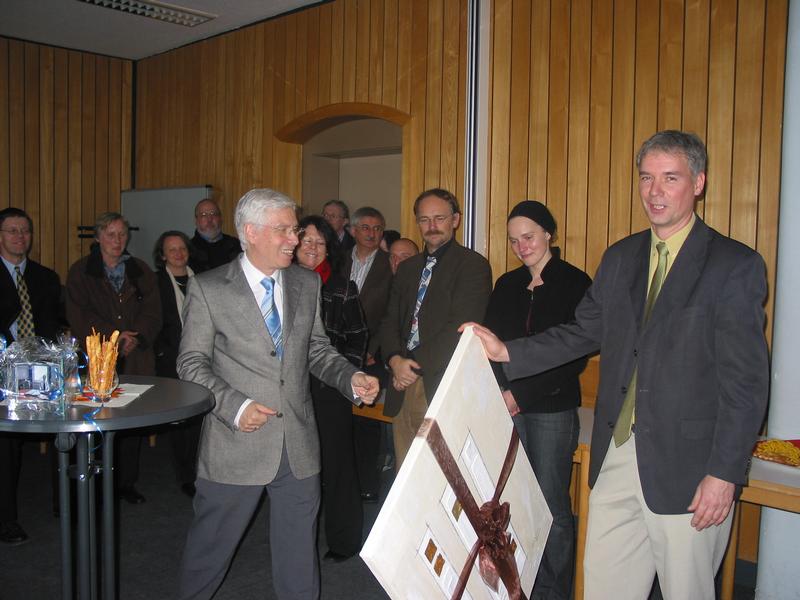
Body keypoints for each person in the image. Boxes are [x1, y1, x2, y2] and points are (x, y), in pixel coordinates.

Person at [464, 131, 769, 600]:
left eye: (670, 178)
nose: (654, 191)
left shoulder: (733, 265)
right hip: (617, 458)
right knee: (606, 587)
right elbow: (581, 332)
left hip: (688, 470)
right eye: (647, 178)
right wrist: (508, 352)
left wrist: (724, 473)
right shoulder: (622, 257)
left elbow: (745, 385)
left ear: (699, 183)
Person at [175, 188, 379, 600]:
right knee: (210, 552)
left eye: (296, 229)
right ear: (250, 232)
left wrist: (349, 378)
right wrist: (235, 406)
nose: (296, 239)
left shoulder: (305, 283)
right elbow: (190, 364)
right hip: (237, 443)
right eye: (285, 230)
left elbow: (316, 350)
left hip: (300, 444)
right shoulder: (210, 288)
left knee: (298, 557)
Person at [483, 200, 591, 600]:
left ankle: (553, 591)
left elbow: (573, 357)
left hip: (550, 409)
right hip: (507, 406)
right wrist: (499, 394)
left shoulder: (575, 282)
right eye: (513, 240)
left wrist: (519, 395)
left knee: (551, 506)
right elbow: (491, 347)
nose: (521, 246)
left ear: (549, 234)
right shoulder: (507, 284)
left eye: (528, 237)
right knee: (511, 503)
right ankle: (520, 582)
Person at [379, 188, 492, 467]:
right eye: (424, 219)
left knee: (441, 475)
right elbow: (390, 319)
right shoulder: (407, 268)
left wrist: (411, 365)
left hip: (439, 379)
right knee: (406, 470)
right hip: (401, 381)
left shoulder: (473, 266)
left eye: (439, 218)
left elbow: (461, 327)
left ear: (455, 220)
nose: (431, 227)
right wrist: (394, 360)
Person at [66, 212, 162, 505]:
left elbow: (154, 312)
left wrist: (136, 338)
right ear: (97, 238)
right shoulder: (81, 271)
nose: (117, 240)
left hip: (135, 357)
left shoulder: (140, 269)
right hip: (97, 358)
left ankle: (126, 483)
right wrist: (115, 336)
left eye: (122, 234)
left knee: (130, 421)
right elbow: (79, 315)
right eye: (110, 234)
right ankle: (95, 483)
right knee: (96, 420)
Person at [295, 215, 368, 562]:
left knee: (338, 465)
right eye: (306, 240)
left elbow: (357, 336)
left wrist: (344, 377)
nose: (312, 248)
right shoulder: (280, 283)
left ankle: (344, 540)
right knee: (297, 466)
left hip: (330, 386)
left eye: (320, 242)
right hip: (290, 388)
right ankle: (296, 536)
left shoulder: (342, 287)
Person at [0, 207, 62, 545]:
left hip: (41, 371)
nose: (19, 237)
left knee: (64, 430)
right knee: (6, 445)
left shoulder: (46, 277)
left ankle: (63, 503)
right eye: (12, 231)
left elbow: (54, 324)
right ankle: (6, 518)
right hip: (2, 373)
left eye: (24, 231)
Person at [342, 206, 393, 502]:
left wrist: (373, 348)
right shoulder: (338, 261)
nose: (372, 233)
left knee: (366, 419)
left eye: (377, 228)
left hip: (372, 354)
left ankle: (368, 483)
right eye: (366, 228)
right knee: (339, 419)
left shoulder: (390, 264)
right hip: (338, 352)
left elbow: (391, 314)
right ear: (353, 231)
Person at [152, 230, 200, 498]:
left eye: (182, 248)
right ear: (162, 255)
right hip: (171, 360)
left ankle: (200, 468)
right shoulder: (155, 282)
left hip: (203, 359)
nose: (179, 253)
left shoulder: (202, 279)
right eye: (172, 249)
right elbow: (153, 322)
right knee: (181, 421)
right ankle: (185, 475)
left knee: (200, 418)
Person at [189, 198, 241, 272]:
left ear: (220, 218)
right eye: (204, 215)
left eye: (213, 214)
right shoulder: (188, 249)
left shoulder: (235, 245)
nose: (209, 219)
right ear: (196, 220)